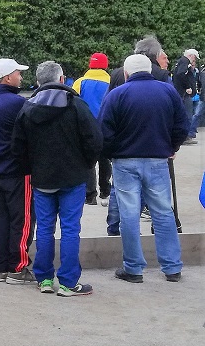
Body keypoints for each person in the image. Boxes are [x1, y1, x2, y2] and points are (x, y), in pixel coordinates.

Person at [12, 61, 102, 296]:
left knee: (44, 228)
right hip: (73, 177)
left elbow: (18, 147)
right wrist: (86, 165)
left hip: (42, 178)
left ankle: (43, 278)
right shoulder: (76, 106)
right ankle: (68, 282)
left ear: (39, 82)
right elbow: (94, 140)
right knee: (71, 229)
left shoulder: (27, 108)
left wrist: (30, 169)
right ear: (62, 80)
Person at [99, 53, 190, 284]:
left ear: (126, 73)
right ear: (150, 70)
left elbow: (104, 131)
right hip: (159, 159)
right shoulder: (167, 91)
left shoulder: (117, 95)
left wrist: (111, 155)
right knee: (163, 212)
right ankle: (172, 267)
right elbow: (183, 124)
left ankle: (134, 268)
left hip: (125, 162)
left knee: (129, 214)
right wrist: (172, 146)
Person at [0, 58, 35, 284]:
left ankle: (2, 265)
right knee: (22, 221)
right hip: (18, 171)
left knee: (2, 219)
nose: (21, 77)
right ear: (7, 77)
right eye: (18, 73)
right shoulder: (18, 103)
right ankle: (18, 267)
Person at [73, 53, 112, 203]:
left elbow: (73, 101)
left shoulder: (80, 82)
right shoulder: (110, 81)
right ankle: (105, 190)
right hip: (105, 126)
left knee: (88, 160)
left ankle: (90, 195)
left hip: (85, 126)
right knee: (105, 159)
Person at [172, 49, 200, 143]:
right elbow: (181, 74)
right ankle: (185, 136)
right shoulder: (185, 61)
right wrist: (187, 87)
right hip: (184, 93)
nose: (194, 60)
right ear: (191, 56)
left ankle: (183, 136)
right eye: (194, 58)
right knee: (187, 115)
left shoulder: (180, 61)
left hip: (180, 92)